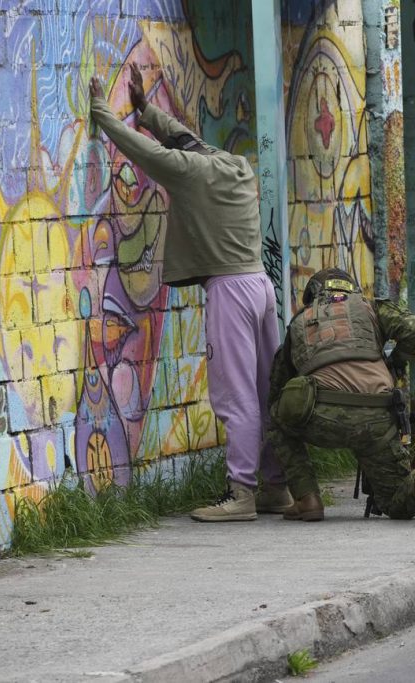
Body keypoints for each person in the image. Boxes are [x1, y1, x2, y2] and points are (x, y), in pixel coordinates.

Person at [89, 66, 292, 521]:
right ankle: (276, 485)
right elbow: (186, 139)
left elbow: (142, 151)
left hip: (230, 291)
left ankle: (241, 494)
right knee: (265, 391)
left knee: (234, 394)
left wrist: (104, 111)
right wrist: (146, 109)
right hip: (260, 285)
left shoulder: (188, 174)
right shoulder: (233, 166)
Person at [266, 268, 415, 526]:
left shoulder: (299, 322)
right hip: (377, 418)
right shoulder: (370, 307)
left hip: (321, 416)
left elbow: (277, 388)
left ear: (313, 294)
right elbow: (413, 330)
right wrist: (395, 365)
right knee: (395, 502)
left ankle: (308, 499)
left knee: (276, 418)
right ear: (351, 289)